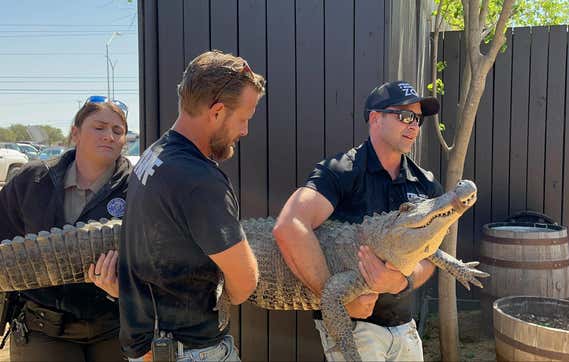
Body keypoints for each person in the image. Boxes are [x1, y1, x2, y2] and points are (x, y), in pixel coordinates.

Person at [273, 81, 443, 361]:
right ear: (375, 118)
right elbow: (290, 225)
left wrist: (400, 281)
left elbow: (428, 256)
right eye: (405, 116)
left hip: (404, 326)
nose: (414, 125)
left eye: (418, 119)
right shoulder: (340, 172)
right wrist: (340, 300)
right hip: (354, 329)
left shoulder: (425, 184)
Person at [119, 50, 265, 361]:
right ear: (216, 111)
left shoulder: (154, 155)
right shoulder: (199, 179)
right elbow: (244, 283)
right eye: (244, 118)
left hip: (152, 345)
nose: (244, 131)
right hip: (190, 351)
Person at [0, 96, 131, 361]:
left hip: (115, 326)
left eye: (118, 131)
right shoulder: (33, 180)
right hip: (43, 327)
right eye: (99, 127)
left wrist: (125, 286)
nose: (109, 135)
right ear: (75, 133)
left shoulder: (139, 189)